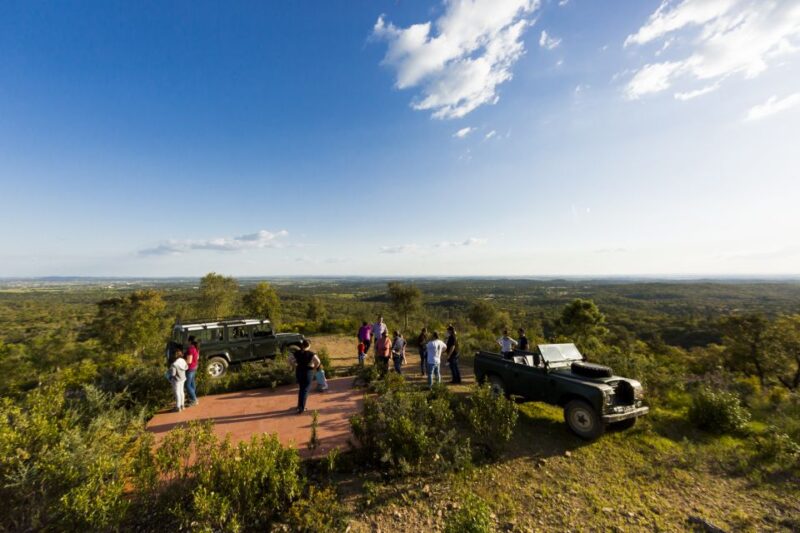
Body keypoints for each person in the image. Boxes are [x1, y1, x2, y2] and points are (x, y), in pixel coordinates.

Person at [290, 339, 320, 414]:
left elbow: (289, 359)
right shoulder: (311, 353)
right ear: (309, 345)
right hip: (307, 372)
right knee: (305, 390)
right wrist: (314, 368)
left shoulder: (296, 353)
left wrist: (294, 365)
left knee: (301, 389)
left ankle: (299, 406)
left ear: (302, 345)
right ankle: (301, 408)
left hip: (299, 371)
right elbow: (318, 362)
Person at [184, 336, 200, 407]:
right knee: (192, 383)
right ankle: (193, 397)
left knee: (187, 385)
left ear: (190, 341)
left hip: (190, 368)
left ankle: (194, 400)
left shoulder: (190, 349)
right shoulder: (196, 348)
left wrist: (181, 362)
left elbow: (189, 361)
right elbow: (198, 357)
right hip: (195, 367)